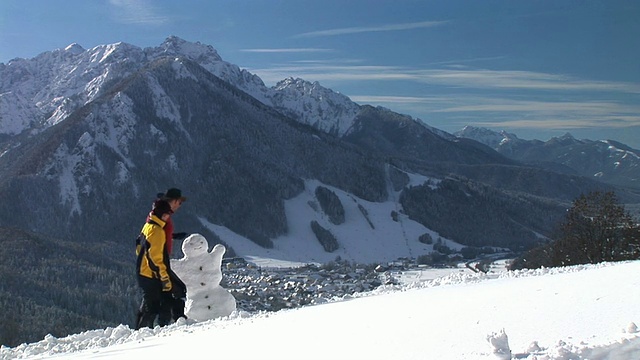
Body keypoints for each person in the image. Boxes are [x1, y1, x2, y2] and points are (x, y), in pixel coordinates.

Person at [135, 199, 175, 329]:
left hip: (143, 271)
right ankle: (149, 331)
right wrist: (164, 278)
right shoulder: (157, 231)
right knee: (156, 305)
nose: (168, 217)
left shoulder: (148, 225)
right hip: (152, 275)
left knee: (149, 303)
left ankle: (141, 330)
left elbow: (139, 246)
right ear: (163, 215)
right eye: (167, 214)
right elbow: (156, 258)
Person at [155, 188, 188, 324]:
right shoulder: (161, 214)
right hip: (159, 260)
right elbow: (154, 233)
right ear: (173, 201)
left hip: (160, 259)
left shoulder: (162, 213)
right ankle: (178, 321)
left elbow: (160, 233)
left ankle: (172, 321)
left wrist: (172, 236)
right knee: (176, 290)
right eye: (179, 202)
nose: (179, 206)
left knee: (169, 292)